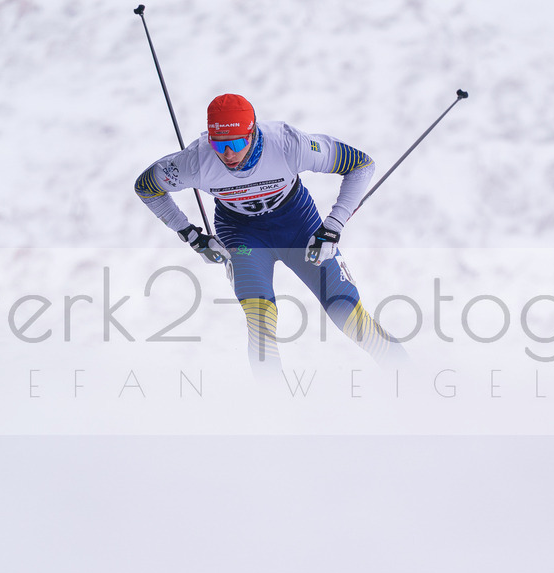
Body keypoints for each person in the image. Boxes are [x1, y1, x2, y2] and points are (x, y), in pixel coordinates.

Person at [134, 93, 403, 379]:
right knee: (260, 320)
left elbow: (361, 165)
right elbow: (146, 187)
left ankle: (410, 381)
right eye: (219, 144)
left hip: (298, 227)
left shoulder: (288, 145)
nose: (228, 154)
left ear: (253, 133)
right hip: (242, 235)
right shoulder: (195, 161)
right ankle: (273, 405)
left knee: (347, 314)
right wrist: (191, 235)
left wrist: (333, 226)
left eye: (237, 143)